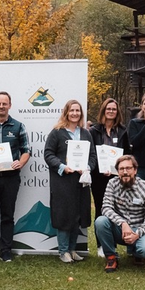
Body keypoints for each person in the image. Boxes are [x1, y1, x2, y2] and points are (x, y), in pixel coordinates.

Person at [44, 100, 97, 263]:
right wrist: (62, 167)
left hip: (80, 182)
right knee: (64, 215)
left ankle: (73, 250)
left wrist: (87, 167)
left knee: (77, 216)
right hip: (63, 182)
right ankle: (63, 251)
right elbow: (48, 154)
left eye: (77, 111)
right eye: (72, 110)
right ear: (66, 113)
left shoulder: (86, 133)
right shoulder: (57, 133)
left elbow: (93, 156)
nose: (75, 113)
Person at [0, 91, 31, 262]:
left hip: (11, 178)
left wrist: (20, 163)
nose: (1, 106)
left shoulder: (18, 126)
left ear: (10, 105)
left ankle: (5, 250)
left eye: (4, 103)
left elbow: (26, 150)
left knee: (8, 215)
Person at [94, 155, 145, 272]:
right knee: (100, 221)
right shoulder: (112, 184)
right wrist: (123, 223)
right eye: (121, 169)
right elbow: (106, 208)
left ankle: (137, 253)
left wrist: (136, 234)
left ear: (135, 170)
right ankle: (111, 257)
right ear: (117, 171)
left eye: (128, 168)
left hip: (139, 229)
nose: (125, 172)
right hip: (119, 229)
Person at [89, 98, 127, 256]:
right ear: (103, 111)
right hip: (99, 178)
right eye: (108, 109)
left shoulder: (123, 131)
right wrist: (101, 169)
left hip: (118, 178)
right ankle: (101, 246)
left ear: (117, 112)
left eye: (114, 109)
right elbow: (91, 153)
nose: (111, 111)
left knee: (116, 209)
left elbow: (127, 153)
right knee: (101, 208)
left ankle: (114, 243)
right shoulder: (94, 131)